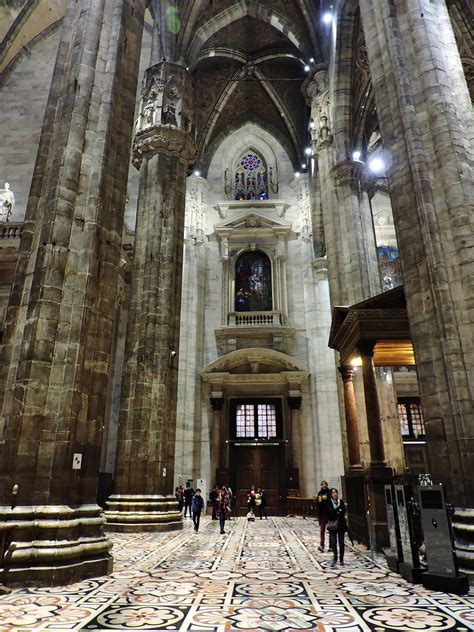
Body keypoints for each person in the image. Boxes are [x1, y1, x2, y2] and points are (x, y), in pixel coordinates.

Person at [327, 487, 347, 568]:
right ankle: (335, 557)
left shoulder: (340, 502)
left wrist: (336, 511)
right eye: (333, 492)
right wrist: (338, 511)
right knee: (334, 543)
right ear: (331, 495)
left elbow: (343, 511)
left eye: (336, 492)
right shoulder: (328, 503)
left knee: (341, 543)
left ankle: (341, 558)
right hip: (332, 526)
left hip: (341, 525)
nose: (335, 494)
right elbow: (330, 514)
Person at [316, 480, 331, 552]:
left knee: (331, 530)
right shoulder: (320, 493)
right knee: (322, 530)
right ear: (321, 485)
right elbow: (318, 503)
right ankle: (322, 544)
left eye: (325, 484)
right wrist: (319, 500)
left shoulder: (329, 492)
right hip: (322, 514)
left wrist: (326, 498)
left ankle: (331, 545)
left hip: (329, 514)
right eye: (322, 484)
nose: (324, 485)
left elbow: (331, 501)